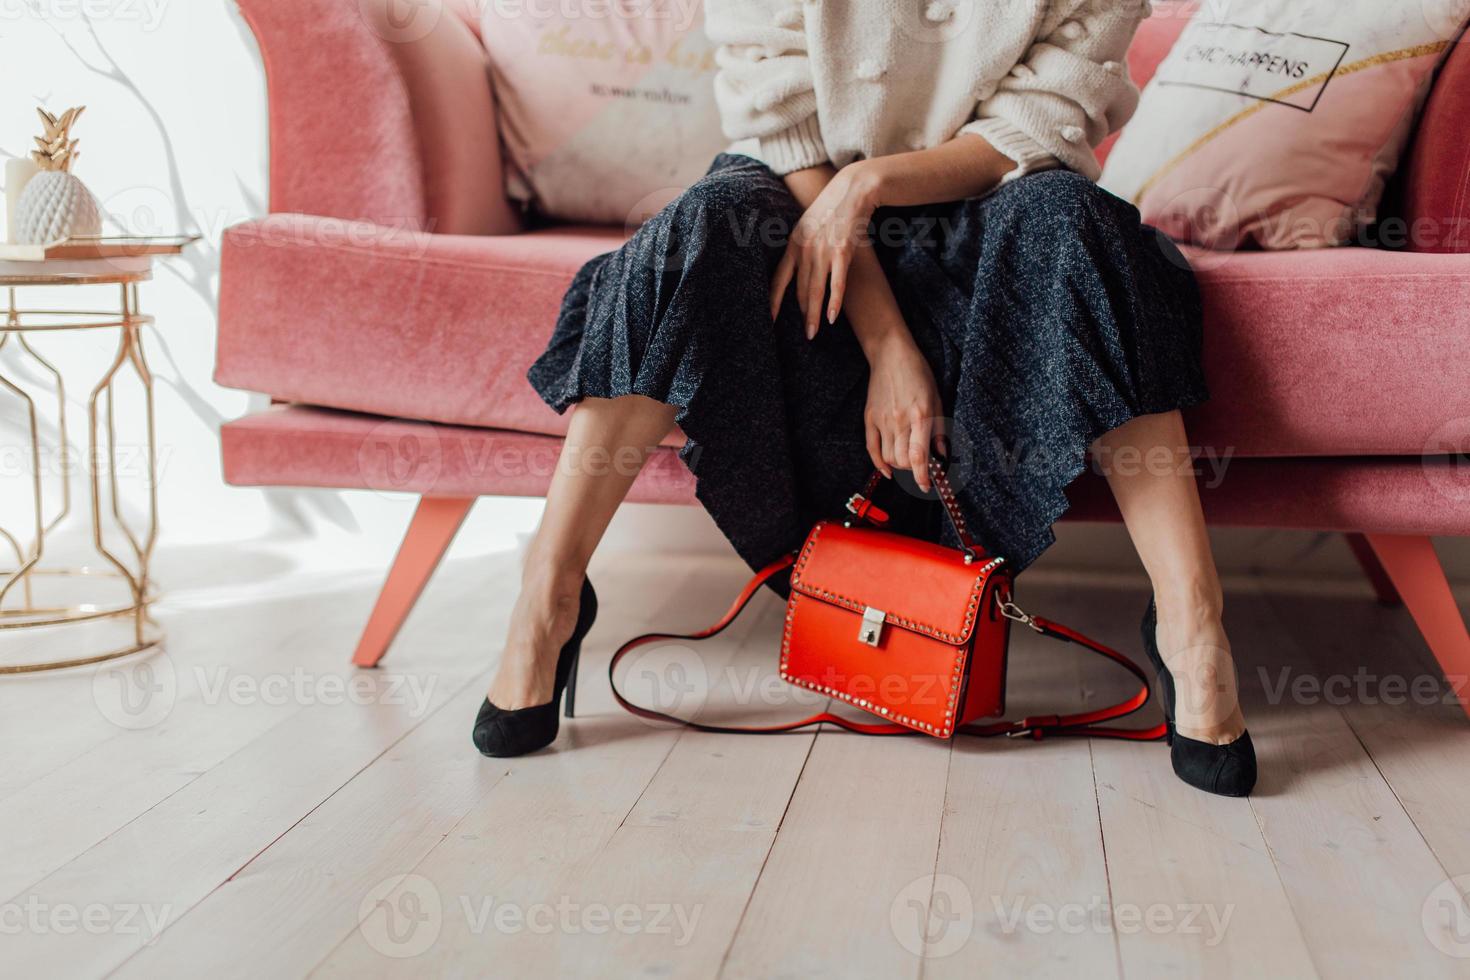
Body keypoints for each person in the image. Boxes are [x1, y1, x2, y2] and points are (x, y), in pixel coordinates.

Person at [472, 0, 1255, 797]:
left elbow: (1037, 125)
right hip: (800, 195)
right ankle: (550, 594)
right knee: (703, 226)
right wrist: (885, 341)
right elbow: (779, 123)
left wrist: (870, 184)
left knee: (1080, 226)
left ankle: (1193, 623)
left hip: (994, 204)